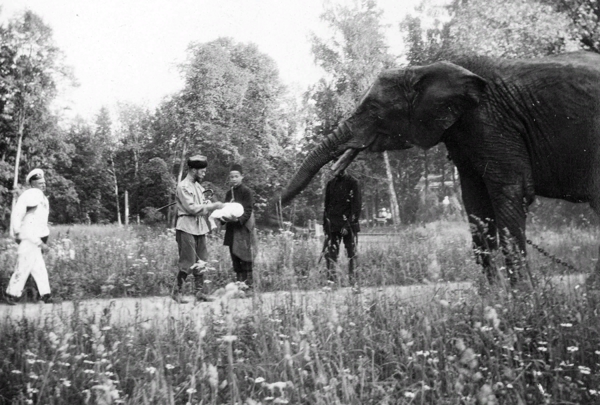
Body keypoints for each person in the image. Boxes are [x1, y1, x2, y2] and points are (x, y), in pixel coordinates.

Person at [173, 155, 223, 303]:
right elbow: (192, 208)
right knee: (187, 262)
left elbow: (204, 206)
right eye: (202, 170)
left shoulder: (198, 186)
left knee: (202, 261)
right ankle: (177, 292)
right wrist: (212, 206)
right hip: (186, 227)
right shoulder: (183, 186)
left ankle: (199, 293)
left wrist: (213, 206)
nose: (204, 173)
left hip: (200, 228)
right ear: (193, 170)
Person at [5, 169, 52, 305]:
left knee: (39, 268)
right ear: (32, 184)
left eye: (44, 182)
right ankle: (11, 294)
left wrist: (43, 238)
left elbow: (40, 222)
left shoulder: (43, 198)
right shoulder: (31, 195)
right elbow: (21, 218)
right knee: (23, 267)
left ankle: (45, 295)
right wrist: (18, 232)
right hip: (29, 238)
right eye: (39, 183)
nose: (43, 185)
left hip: (35, 238)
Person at [323, 170, 362, 285]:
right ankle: (331, 282)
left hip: (348, 225)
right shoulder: (331, 183)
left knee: (352, 253)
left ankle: (353, 282)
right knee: (330, 254)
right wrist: (326, 224)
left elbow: (356, 206)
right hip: (333, 226)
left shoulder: (353, 182)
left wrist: (348, 225)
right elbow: (327, 206)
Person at [221, 164, 256, 289]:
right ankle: (239, 285)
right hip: (231, 229)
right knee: (234, 256)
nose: (234, 179)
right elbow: (224, 209)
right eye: (231, 177)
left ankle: (249, 285)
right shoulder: (228, 193)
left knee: (245, 257)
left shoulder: (247, 192)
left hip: (243, 229)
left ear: (242, 177)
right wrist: (222, 218)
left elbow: (248, 210)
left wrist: (239, 220)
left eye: (236, 176)